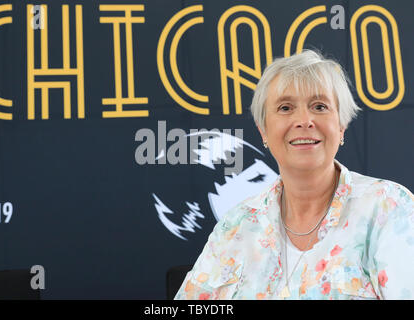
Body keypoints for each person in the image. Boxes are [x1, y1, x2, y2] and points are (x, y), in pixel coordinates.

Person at [174, 49, 414, 300]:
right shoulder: (236, 226)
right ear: (263, 131)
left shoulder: (390, 208)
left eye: (319, 106)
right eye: (286, 107)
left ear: (341, 126)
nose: (304, 120)